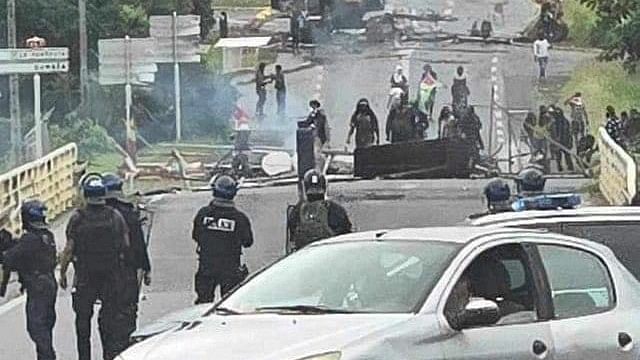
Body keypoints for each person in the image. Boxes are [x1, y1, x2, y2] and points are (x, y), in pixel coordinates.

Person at [60, 174, 131, 360]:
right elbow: (125, 244)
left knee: (83, 322)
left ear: (85, 194)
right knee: (109, 320)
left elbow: (68, 249)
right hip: (110, 275)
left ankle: (85, 357)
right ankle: (109, 355)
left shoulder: (77, 218)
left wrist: (62, 273)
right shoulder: (115, 216)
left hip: (85, 276)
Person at [3, 200, 57, 360]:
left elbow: (10, 259)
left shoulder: (30, 239)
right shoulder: (47, 235)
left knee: (37, 328)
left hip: (37, 286)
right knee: (46, 326)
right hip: (48, 283)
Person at [102, 174, 151, 345]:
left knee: (107, 312)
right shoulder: (129, 213)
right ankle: (126, 347)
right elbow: (139, 244)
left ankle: (109, 352)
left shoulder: (95, 214)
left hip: (104, 273)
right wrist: (146, 268)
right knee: (128, 311)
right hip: (127, 271)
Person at [192, 175, 254, 304]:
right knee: (230, 305)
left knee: (202, 305)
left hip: (206, 268)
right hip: (230, 270)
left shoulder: (203, 214)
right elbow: (248, 242)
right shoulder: (239, 218)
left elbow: (196, 236)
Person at [288, 169, 352, 250]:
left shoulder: (296, 210)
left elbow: (292, 237)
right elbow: (346, 235)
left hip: (303, 256)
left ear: (306, 187)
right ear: (324, 187)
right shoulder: (335, 209)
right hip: (330, 253)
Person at [303, 100, 330, 171]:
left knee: (318, 153)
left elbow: (321, 125)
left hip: (319, 137)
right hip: (313, 137)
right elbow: (307, 123)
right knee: (314, 154)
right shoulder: (312, 114)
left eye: (313, 105)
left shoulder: (321, 114)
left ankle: (318, 169)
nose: (312, 107)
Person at [550, 107, 574, 172]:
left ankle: (570, 167)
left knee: (567, 154)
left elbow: (568, 132)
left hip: (565, 141)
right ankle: (559, 167)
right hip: (557, 141)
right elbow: (552, 132)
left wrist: (569, 141)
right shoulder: (554, 123)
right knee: (558, 155)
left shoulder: (565, 122)